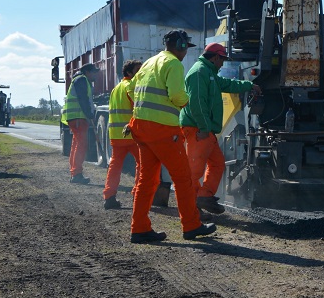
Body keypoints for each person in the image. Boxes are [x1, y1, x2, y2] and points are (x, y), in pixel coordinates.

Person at [126, 30, 216, 243]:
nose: (186, 53)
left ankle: (139, 228)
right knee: (183, 179)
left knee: (146, 181)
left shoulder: (149, 62)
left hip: (141, 128)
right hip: (163, 131)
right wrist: (186, 102)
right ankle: (191, 226)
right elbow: (177, 95)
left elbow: (130, 88)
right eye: (186, 48)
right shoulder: (174, 63)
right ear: (181, 45)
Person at [180, 43, 261, 214]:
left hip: (204, 129)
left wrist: (248, 85)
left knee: (217, 164)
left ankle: (203, 197)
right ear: (215, 57)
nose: (223, 63)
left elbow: (226, 84)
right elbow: (197, 104)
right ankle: (191, 210)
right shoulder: (199, 72)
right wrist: (203, 128)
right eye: (222, 59)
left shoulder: (209, 73)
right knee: (194, 171)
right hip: (198, 129)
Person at [102, 59, 143, 210]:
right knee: (142, 165)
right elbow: (139, 106)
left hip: (116, 135)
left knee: (115, 166)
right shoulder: (130, 86)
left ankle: (109, 197)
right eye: (138, 70)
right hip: (131, 134)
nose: (141, 72)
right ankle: (137, 195)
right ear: (129, 72)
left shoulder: (115, 89)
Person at [61, 63, 99, 184]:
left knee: (76, 145)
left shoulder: (79, 80)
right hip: (78, 117)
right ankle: (76, 174)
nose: (95, 75)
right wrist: (89, 114)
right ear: (87, 72)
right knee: (81, 145)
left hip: (75, 117)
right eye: (94, 72)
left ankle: (75, 173)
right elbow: (83, 99)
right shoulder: (81, 80)